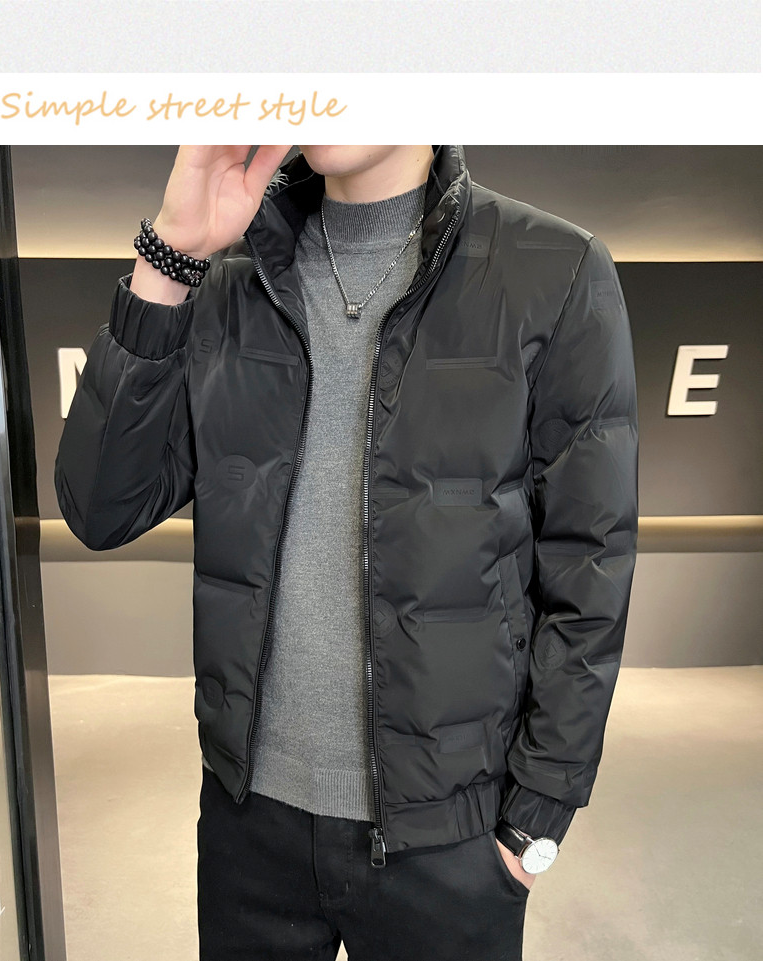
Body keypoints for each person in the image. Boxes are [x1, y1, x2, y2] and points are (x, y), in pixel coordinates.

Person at [55, 144, 639, 961]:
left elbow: (590, 567)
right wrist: (171, 257)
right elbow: (100, 506)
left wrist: (533, 823)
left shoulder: (556, 269)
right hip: (248, 825)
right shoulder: (230, 280)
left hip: (450, 841)